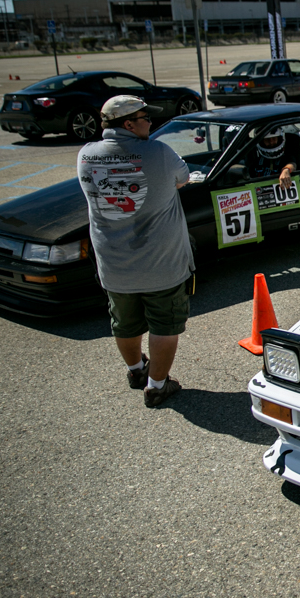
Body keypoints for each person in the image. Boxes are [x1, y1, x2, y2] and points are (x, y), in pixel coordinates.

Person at [77, 95, 193, 408]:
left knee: (124, 323)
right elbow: (182, 180)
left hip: (113, 264)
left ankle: (136, 371)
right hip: (162, 263)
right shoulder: (158, 152)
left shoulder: (86, 154)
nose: (150, 122)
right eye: (145, 118)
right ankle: (157, 386)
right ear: (128, 124)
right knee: (164, 326)